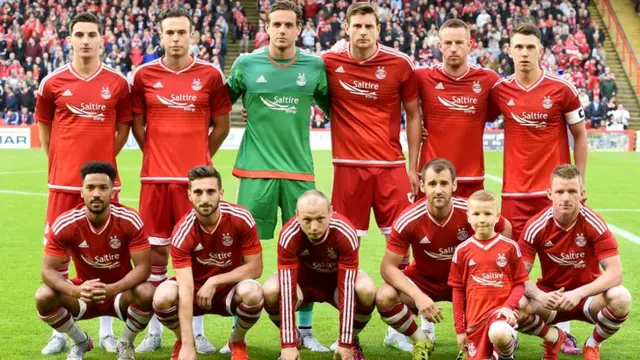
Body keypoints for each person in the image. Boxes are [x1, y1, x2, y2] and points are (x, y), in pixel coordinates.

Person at [226, 0, 329, 351]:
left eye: (289, 24)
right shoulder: (245, 64)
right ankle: (239, 333)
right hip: (255, 171)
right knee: (245, 253)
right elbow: (217, 104)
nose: (282, 30)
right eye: (276, 24)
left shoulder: (314, 66)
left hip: (299, 172)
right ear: (266, 27)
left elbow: (339, 110)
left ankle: (305, 329)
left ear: (299, 29)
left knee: (307, 250)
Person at [130, 8, 232, 353]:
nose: (175, 38)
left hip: (195, 185)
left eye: (181, 32)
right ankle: (155, 331)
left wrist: (201, 159)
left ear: (192, 35)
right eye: (169, 32)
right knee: (157, 254)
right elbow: (138, 126)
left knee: (198, 255)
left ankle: (197, 332)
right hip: (155, 181)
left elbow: (222, 125)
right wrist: (154, 153)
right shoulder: (144, 75)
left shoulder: (210, 75)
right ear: (160, 36)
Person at [34, 12, 132, 355]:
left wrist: (102, 165)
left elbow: (123, 129)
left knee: (109, 255)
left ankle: (106, 329)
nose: (86, 40)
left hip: (106, 187)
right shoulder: (52, 82)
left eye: (92, 34)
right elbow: (44, 126)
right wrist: (59, 161)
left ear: (103, 39)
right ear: (70, 39)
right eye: (80, 34)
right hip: (62, 185)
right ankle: (62, 332)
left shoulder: (118, 83)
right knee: (58, 260)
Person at [490, 23, 589, 354]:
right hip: (515, 195)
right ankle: (510, 330)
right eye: (518, 47)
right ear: (509, 50)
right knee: (511, 264)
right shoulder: (500, 91)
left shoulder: (562, 89)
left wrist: (580, 182)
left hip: (554, 194)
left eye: (531, 47)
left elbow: (580, 135)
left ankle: (564, 329)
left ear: (541, 51)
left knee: (559, 262)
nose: (524, 53)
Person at [376, 158, 512, 356]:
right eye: (432, 184)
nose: (438, 190)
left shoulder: (469, 211)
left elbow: (504, 227)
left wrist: (493, 268)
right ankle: (421, 340)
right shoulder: (409, 219)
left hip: (465, 281)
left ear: (454, 185)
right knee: (384, 296)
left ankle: (499, 341)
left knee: (502, 292)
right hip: (424, 280)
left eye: (444, 183)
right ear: (422, 186)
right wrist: (418, 296)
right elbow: (388, 267)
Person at [322, 1, 421, 242]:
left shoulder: (399, 63)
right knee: (345, 242)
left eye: (368, 26)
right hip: (348, 166)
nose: (363, 31)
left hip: (391, 164)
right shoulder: (328, 62)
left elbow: (414, 114)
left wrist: (413, 168)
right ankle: (349, 282)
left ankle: (398, 281)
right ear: (346, 28)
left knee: (399, 240)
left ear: (379, 29)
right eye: (357, 26)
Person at [35, 161, 154, 360]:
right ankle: (80, 341)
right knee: (43, 296)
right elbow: (47, 271)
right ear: (82, 192)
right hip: (83, 293)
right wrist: (76, 291)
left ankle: (125, 343)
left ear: (112, 192)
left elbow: (143, 268)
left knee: (147, 292)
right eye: (90, 188)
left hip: (119, 294)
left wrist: (113, 289)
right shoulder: (66, 223)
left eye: (103, 188)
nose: (96, 194)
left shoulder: (129, 219)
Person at [517, 164, 631, 360]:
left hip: (588, 298)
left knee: (621, 298)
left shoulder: (594, 223)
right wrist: (540, 296)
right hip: (551, 299)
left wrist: (579, 293)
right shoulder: (536, 226)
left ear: (582, 193)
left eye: (572, 191)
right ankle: (554, 338)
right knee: (516, 306)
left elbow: (615, 274)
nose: (566, 197)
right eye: (560, 191)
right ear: (549, 193)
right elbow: (519, 274)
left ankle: (592, 344)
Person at [152, 166, 264, 360]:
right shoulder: (182, 232)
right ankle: (182, 341)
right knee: (162, 297)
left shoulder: (240, 218)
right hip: (194, 290)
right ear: (189, 195)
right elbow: (185, 288)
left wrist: (214, 281)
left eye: (211, 191)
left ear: (220, 192)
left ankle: (236, 341)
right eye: (198, 192)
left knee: (253, 292)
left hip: (229, 289)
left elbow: (256, 267)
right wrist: (188, 344)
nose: (204, 199)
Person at [262, 190, 376, 360]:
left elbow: (346, 287)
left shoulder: (345, 232)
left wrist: (345, 343)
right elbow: (286, 290)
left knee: (366, 290)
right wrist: (288, 344)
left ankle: (352, 340)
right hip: (302, 285)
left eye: (320, 219)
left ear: (331, 212)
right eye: (306, 220)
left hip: (337, 284)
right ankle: (294, 337)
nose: (314, 227)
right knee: (270, 290)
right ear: (297, 215)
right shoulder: (289, 234)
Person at [415, 19, 500, 199]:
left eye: (459, 43)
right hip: (432, 179)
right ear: (439, 45)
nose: (453, 48)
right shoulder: (422, 78)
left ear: (469, 45)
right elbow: (392, 101)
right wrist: (415, 127)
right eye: (448, 43)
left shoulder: (488, 80)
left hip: (472, 179)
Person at [448, 190, 529, 360]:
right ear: (468, 216)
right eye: (476, 214)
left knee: (498, 332)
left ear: (497, 216)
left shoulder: (510, 247)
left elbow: (520, 284)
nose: (482, 219)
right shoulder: (462, 251)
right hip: (475, 322)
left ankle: (507, 356)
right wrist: (460, 330)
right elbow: (457, 292)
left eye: (487, 213)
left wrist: (508, 306)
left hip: (502, 316)